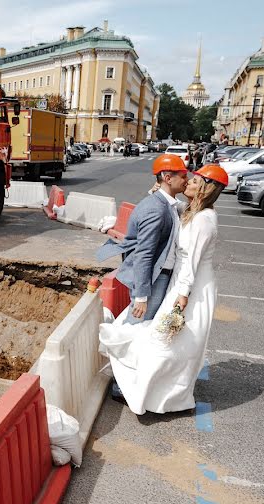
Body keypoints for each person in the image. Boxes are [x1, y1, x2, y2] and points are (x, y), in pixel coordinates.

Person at [99, 165, 227, 415]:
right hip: (181, 284)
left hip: (192, 288)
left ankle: (160, 396)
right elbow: (171, 208)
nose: (188, 181)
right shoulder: (192, 211)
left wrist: (181, 299)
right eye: (185, 178)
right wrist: (159, 192)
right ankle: (154, 393)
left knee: (169, 343)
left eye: (194, 180)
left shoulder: (203, 220)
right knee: (169, 343)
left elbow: (192, 262)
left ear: (203, 187)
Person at [96, 153, 188, 324]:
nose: (187, 180)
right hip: (154, 278)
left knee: (141, 327)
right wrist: (142, 296)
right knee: (136, 327)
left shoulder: (165, 204)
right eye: (183, 176)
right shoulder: (156, 209)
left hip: (158, 276)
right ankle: (118, 350)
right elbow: (144, 253)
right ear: (168, 178)